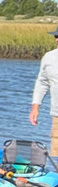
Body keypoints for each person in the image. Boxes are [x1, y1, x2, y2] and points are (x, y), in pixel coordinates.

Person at [29, 27, 58, 155]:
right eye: (55, 36)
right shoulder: (49, 57)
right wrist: (35, 107)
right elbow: (42, 82)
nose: (57, 39)